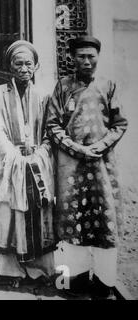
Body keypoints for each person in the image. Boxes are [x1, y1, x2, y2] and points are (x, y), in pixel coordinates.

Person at [47, 36, 128, 299]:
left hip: (102, 167)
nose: (86, 61)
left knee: (105, 222)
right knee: (73, 222)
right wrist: (77, 149)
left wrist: (100, 146)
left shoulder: (108, 85)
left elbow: (120, 124)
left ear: (98, 57)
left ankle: (104, 283)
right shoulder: (63, 86)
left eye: (91, 56)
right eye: (80, 56)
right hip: (70, 167)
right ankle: (74, 280)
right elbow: (52, 125)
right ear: (72, 58)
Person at [0, 40, 56, 288]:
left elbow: (50, 130)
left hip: (36, 162)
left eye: (28, 63)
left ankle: (39, 271)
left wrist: (39, 155)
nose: (24, 68)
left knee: (37, 214)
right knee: (11, 215)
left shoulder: (44, 95)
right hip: (11, 164)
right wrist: (14, 157)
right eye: (19, 63)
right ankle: (12, 272)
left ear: (35, 66)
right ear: (10, 66)